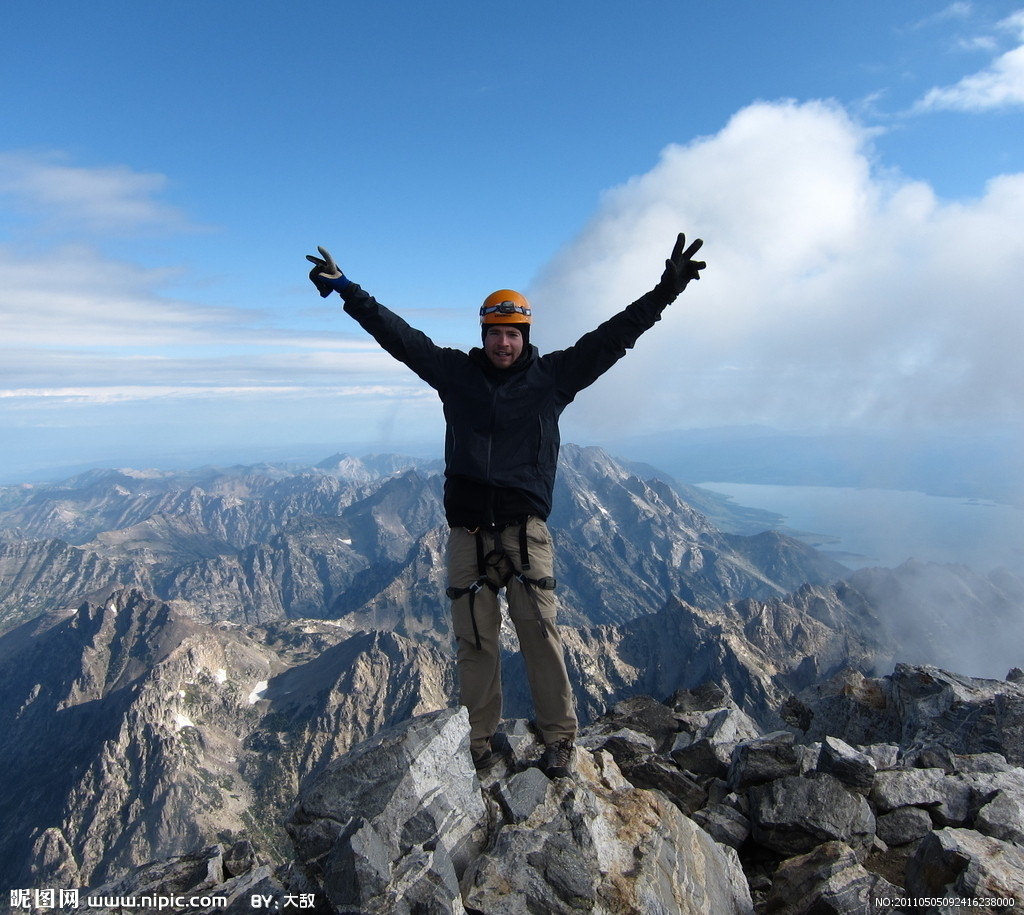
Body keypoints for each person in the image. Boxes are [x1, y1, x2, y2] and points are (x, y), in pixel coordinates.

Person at [306, 233, 705, 778]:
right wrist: (350, 291)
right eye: (495, 334)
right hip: (467, 533)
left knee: (541, 634)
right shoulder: (455, 375)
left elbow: (614, 338)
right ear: (484, 335)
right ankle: (478, 742)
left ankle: (560, 738)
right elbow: (400, 339)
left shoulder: (553, 380)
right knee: (475, 642)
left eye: (512, 335)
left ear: (525, 337)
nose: (503, 344)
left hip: (523, 533)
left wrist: (665, 292)